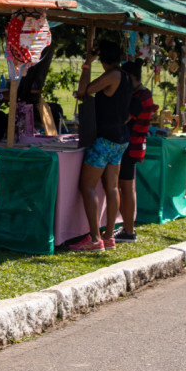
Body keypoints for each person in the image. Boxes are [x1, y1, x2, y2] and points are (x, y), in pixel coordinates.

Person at [69, 40, 132, 251]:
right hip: (120, 138)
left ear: (103, 58)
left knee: (87, 186)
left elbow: (83, 91)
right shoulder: (125, 77)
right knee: (111, 186)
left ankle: (95, 239)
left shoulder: (113, 75)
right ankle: (108, 236)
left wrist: (87, 63)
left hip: (105, 139)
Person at [115, 61, 157, 243]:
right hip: (135, 145)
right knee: (126, 187)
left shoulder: (139, 97)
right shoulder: (143, 94)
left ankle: (129, 230)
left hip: (131, 146)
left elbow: (124, 119)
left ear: (131, 77)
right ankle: (127, 227)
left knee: (127, 187)